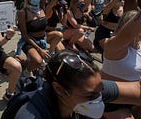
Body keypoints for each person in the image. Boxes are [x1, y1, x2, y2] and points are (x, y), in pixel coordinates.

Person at [11, 49, 141, 119]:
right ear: (59, 89)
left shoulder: (90, 88)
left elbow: (137, 90)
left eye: (100, 90)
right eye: (90, 96)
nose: (99, 99)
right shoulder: (30, 115)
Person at [101, 10, 141, 118]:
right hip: (111, 102)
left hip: (133, 99)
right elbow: (127, 34)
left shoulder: (139, 47)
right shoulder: (113, 46)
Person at [17, 0, 51, 77]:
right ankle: (27, 71)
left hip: (43, 39)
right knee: (38, 61)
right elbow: (25, 36)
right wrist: (39, 49)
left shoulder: (41, 6)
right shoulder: (23, 12)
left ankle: (37, 65)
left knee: (58, 35)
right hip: (30, 42)